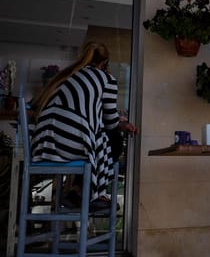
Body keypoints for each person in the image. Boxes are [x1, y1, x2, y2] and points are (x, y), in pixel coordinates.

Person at [31, 41, 137, 209]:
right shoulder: (107, 79)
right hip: (68, 146)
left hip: (42, 147)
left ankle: (76, 192)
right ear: (105, 63)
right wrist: (122, 124)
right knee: (114, 139)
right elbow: (110, 122)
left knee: (96, 138)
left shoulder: (66, 76)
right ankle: (88, 193)